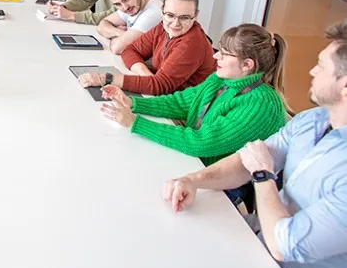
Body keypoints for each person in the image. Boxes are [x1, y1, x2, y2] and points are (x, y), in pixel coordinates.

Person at [162, 21, 347, 268]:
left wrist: (263, 175)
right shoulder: (312, 120)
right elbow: (248, 159)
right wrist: (194, 179)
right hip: (259, 242)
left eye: (321, 67)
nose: (311, 71)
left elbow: (285, 244)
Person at [100, 24, 289, 166]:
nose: (216, 57)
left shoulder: (261, 105)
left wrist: (135, 123)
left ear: (247, 65)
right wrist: (134, 103)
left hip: (220, 190)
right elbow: (182, 102)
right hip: (192, 162)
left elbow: (201, 143)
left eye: (224, 54)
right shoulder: (221, 79)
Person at [78, 0, 215, 95]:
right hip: (162, 94)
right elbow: (130, 50)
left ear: (195, 15)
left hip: (184, 110)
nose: (175, 23)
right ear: (162, 10)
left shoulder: (192, 43)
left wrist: (107, 79)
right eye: (170, 15)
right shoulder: (162, 27)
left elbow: (159, 86)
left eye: (184, 17)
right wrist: (146, 74)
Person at [96, 0, 162, 55]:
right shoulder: (133, 6)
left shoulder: (153, 12)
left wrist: (115, 36)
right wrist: (120, 33)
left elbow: (117, 48)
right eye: (117, 4)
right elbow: (102, 24)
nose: (124, 7)